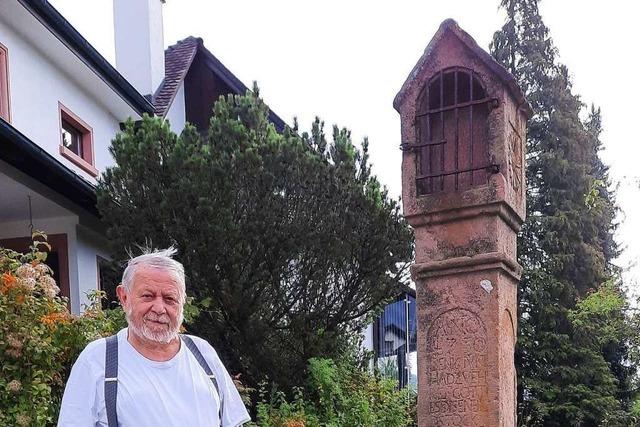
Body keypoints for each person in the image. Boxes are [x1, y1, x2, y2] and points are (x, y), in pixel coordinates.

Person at [58, 247, 250, 427]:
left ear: (182, 302)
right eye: (148, 296)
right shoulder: (97, 359)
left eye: (170, 299)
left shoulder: (202, 353)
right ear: (124, 297)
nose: (159, 309)